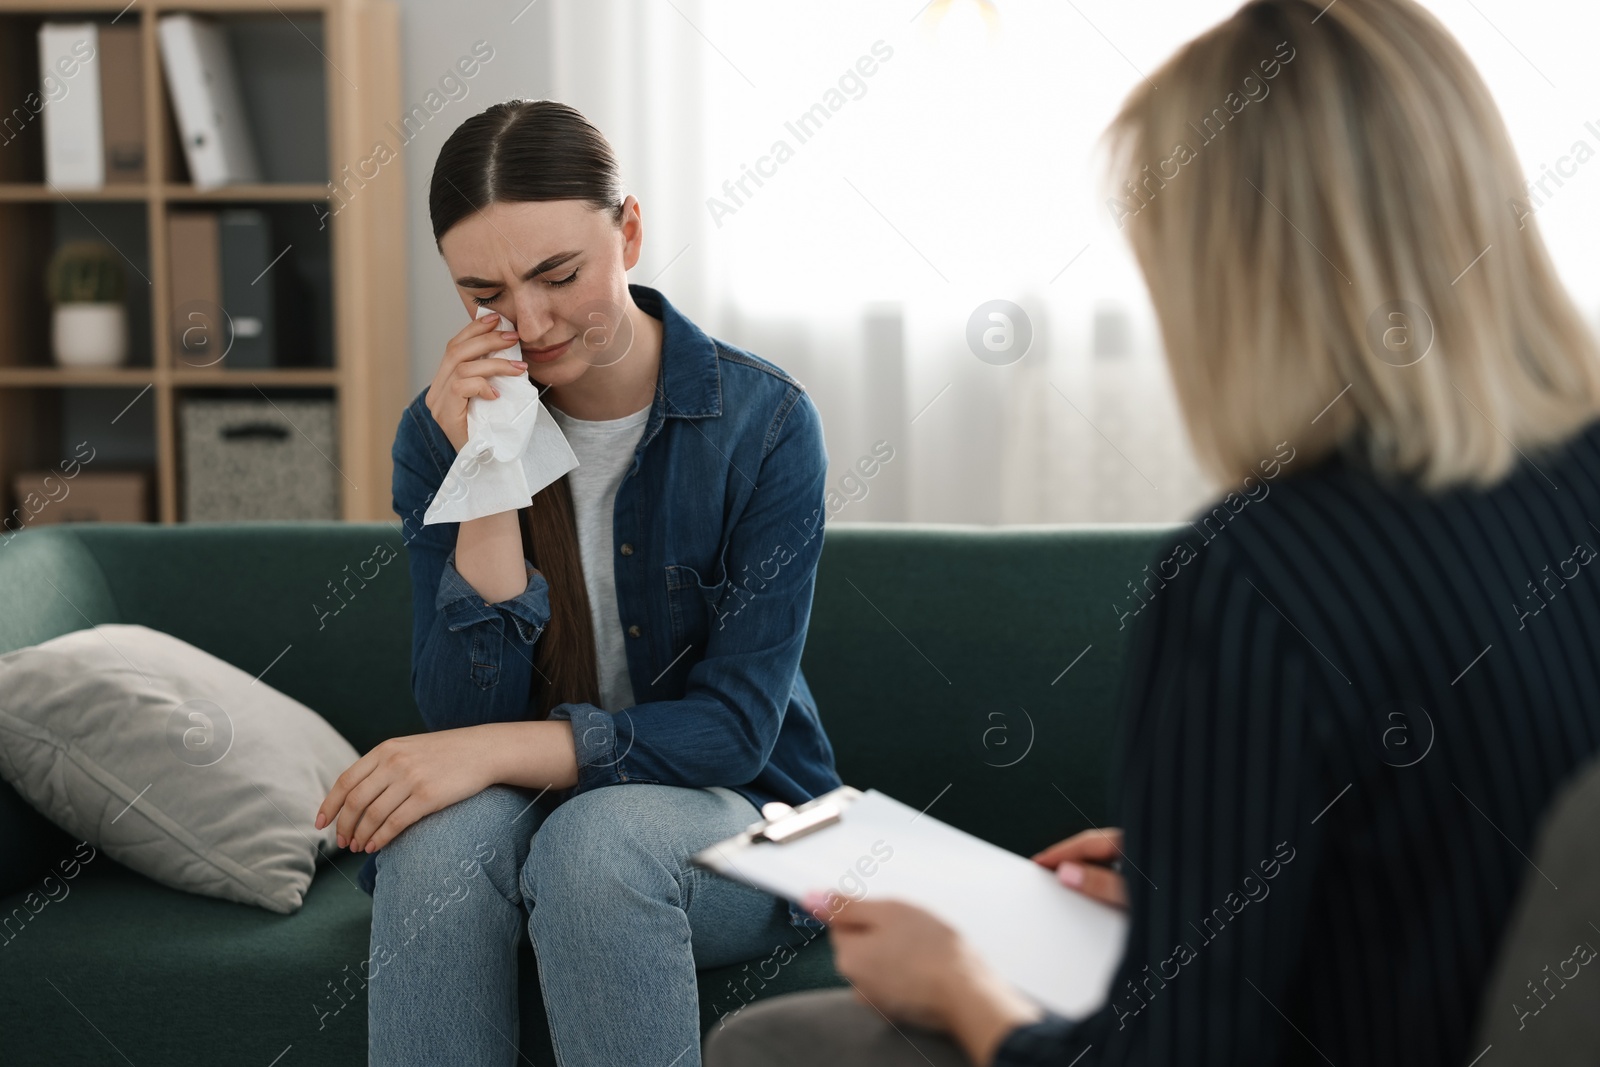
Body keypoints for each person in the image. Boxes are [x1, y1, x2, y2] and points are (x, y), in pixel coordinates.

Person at [704, 0, 1600, 1064]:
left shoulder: (1259, 573)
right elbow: (1488, 818)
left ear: (1237, 281)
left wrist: (963, 991)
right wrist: (1209, 860)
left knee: (780, 1043)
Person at [312, 99, 842, 1067]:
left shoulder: (763, 422)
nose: (530, 321)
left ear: (629, 229)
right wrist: (485, 476)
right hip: (539, 817)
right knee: (429, 848)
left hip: (739, 815)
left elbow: (735, 729)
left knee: (593, 842)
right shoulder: (437, 432)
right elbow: (457, 702)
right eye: (485, 295)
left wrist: (496, 750)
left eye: (558, 274)